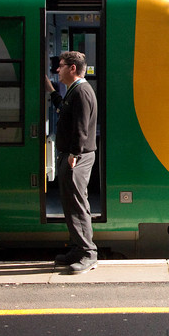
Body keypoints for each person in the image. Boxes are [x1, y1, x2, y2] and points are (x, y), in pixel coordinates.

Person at [45, 51, 99, 274]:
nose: (58, 70)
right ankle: (78, 249)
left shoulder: (82, 93)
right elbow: (63, 109)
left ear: (72, 68)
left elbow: (80, 127)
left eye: (61, 66)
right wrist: (50, 90)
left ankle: (88, 253)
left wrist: (74, 154)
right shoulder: (74, 91)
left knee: (77, 205)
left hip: (78, 157)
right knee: (72, 203)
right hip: (74, 155)